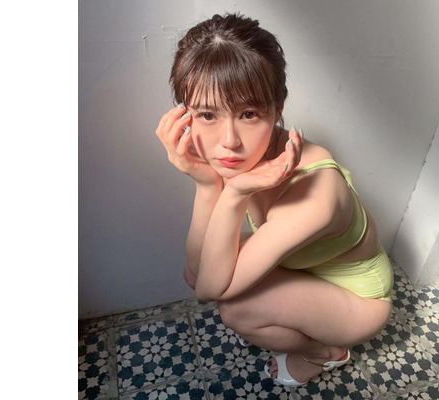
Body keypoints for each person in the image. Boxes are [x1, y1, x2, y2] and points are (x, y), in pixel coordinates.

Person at [155, 13, 394, 387]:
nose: (229, 141)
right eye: (207, 114)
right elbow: (197, 271)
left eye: (248, 113)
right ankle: (306, 325)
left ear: (277, 109)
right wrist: (207, 184)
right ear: (186, 115)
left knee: (236, 309)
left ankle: (325, 351)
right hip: (303, 266)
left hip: (358, 296)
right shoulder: (242, 155)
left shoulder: (316, 193)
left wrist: (233, 191)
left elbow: (208, 292)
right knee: (200, 267)